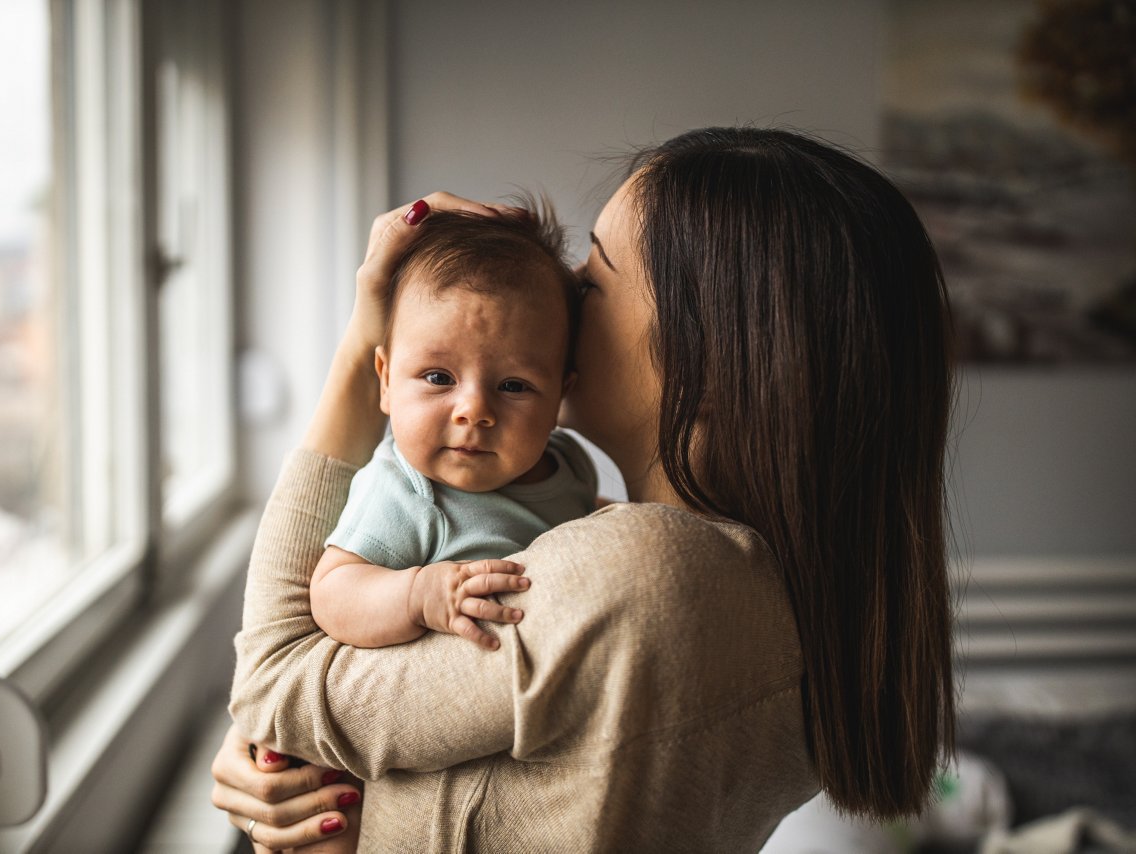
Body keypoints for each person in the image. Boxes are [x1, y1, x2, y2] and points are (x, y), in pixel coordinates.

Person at [210, 127, 957, 853]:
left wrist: (363, 341)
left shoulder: (643, 576)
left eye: (593, 280)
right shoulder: (757, 584)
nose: (560, 292)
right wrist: (304, 762)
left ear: (712, 364)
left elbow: (273, 681)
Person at [312, 206, 597, 652]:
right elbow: (333, 592)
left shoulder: (569, 463)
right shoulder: (405, 492)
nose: (474, 410)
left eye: (513, 386)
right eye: (439, 378)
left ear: (560, 395)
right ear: (385, 380)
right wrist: (419, 595)